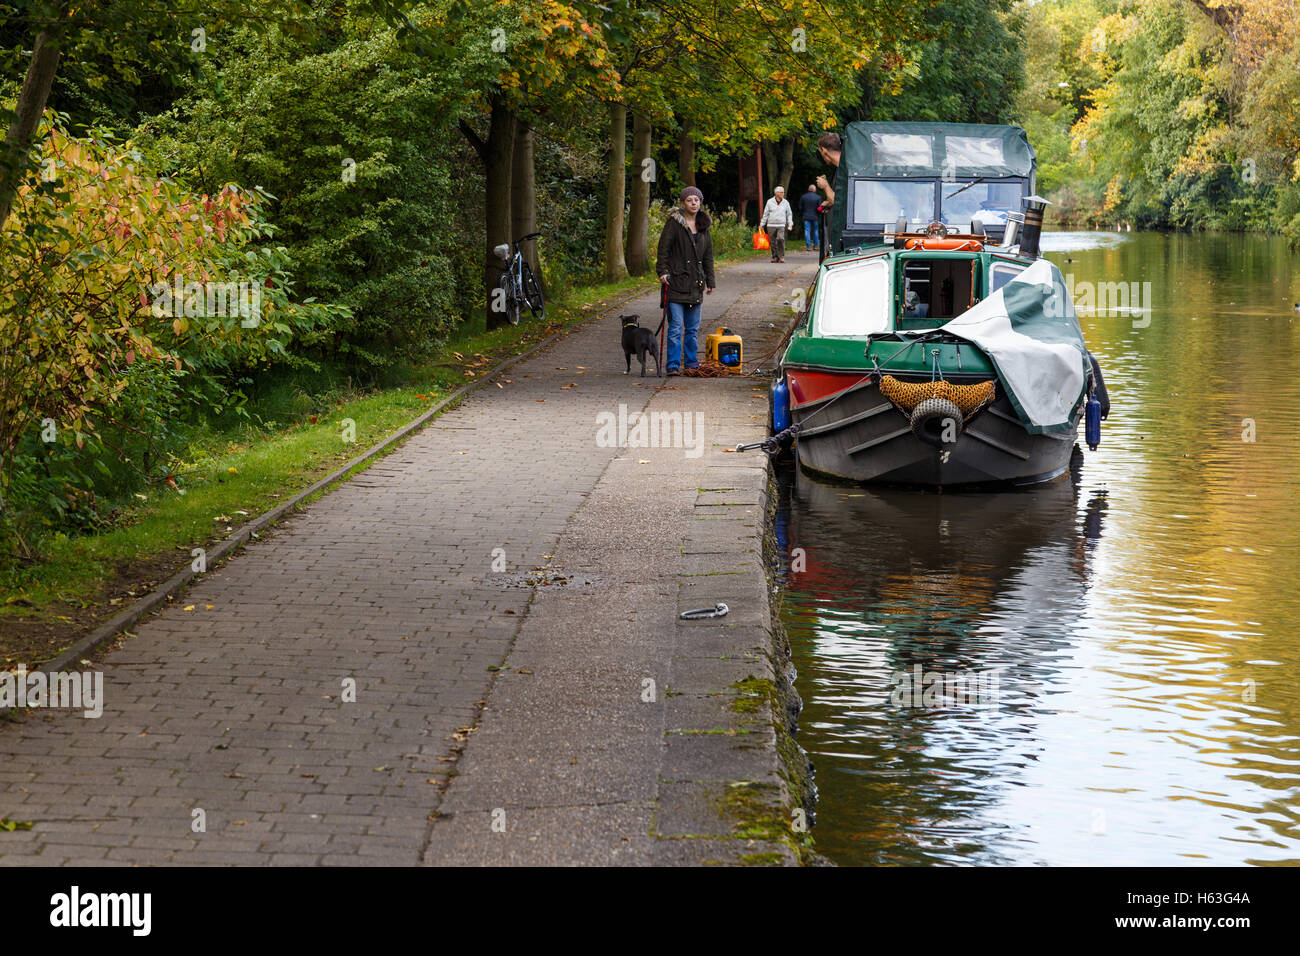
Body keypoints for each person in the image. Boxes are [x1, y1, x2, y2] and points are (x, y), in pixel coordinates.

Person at [656, 185, 715, 375]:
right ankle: (672, 365)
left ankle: (691, 364)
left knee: (692, 329)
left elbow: (708, 256)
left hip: (696, 284)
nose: (693, 203)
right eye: (689, 200)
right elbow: (663, 249)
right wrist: (663, 271)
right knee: (675, 329)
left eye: (696, 200)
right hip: (676, 282)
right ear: (683, 203)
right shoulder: (674, 223)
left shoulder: (704, 225)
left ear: (700, 202)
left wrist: (711, 281)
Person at [759, 185, 794, 263]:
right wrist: (762, 224)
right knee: (773, 242)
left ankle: (781, 256)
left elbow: (789, 214)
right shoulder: (769, 202)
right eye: (781, 192)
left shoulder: (785, 202)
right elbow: (766, 214)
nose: (783, 193)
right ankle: (775, 256)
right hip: (771, 225)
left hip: (781, 224)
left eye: (783, 192)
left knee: (780, 239)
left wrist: (790, 224)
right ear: (776, 193)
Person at [815, 131, 842, 207]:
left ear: (823, 150)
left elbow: (839, 202)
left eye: (820, 151)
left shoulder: (845, 169)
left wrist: (825, 186)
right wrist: (830, 202)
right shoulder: (842, 167)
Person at [798, 184, 822, 250]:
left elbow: (800, 207)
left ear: (809, 189)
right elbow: (820, 208)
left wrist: (804, 211)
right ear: (815, 190)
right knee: (815, 231)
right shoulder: (818, 197)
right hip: (815, 216)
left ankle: (809, 246)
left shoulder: (803, 197)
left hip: (806, 216)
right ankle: (816, 245)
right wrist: (819, 213)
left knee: (807, 231)